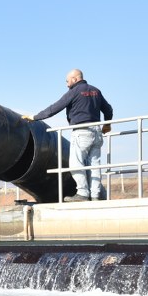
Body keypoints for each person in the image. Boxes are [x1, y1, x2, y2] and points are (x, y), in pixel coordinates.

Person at [24, 69, 113, 202]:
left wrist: (35, 117)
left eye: (67, 81)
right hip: (96, 132)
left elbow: (55, 108)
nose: (66, 84)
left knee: (76, 164)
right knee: (94, 165)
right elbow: (108, 109)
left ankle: (83, 193)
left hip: (81, 132)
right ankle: (95, 195)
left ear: (75, 79)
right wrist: (107, 124)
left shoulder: (74, 92)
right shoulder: (96, 91)